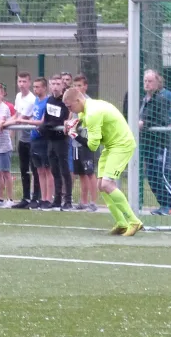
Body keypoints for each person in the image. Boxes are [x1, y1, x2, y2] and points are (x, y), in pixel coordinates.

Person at [63, 88, 143, 236]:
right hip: (110, 145)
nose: (70, 110)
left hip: (121, 145)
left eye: (70, 107)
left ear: (78, 100)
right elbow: (81, 118)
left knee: (107, 184)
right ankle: (121, 223)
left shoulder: (93, 113)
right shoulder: (87, 108)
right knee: (101, 185)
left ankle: (134, 221)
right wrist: (73, 123)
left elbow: (93, 146)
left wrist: (73, 134)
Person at [139, 70, 171, 216]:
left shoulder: (160, 99)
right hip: (148, 144)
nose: (147, 84)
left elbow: (162, 121)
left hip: (160, 143)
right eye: (145, 81)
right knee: (151, 175)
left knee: (163, 173)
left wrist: (144, 123)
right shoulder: (144, 100)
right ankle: (163, 204)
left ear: (157, 83)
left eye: (150, 81)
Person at [4, 71, 41, 209]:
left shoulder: (32, 99)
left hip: (33, 139)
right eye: (19, 81)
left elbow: (22, 119)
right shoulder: (19, 96)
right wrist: (5, 123)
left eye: (24, 81)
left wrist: (4, 124)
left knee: (35, 170)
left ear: (29, 83)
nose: (22, 84)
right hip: (23, 140)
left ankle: (35, 198)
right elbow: (16, 115)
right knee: (23, 169)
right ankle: (25, 198)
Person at [42, 75, 73, 211]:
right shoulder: (49, 100)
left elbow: (63, 119)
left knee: (64, 170)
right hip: (51, 140)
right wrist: (46, 126)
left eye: (58, 84)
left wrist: (51, 124)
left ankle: (68, 200)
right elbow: (48, 119)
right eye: (53, 83)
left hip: (61, 140)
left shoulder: (65, 101)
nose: (55, 86)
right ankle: (57, 199)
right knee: (54, 170)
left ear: (62, 86)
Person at [24, 77, 54, 210]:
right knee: (39, 170)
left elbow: (42, 121)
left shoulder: (47, 101)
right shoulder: (36, 100)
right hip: (34, 139)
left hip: (44, 139)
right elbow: (34, 116)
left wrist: (26, 122)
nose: (35, 89)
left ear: (44, 88)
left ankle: (48, 198)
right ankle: (43, 198)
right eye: (34, 87)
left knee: (48, 170)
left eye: (38, 87)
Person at [72, 74, 98, 212]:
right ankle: (83, 201)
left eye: (80, 85)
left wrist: (76, 124)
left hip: (87, 141)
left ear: (85, 86)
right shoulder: (73, 101)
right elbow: (70, 117)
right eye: (75, 86)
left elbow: (87, 120)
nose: (77, 88)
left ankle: (94, 202)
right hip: (76, 142)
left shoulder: (89, 102)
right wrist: (68, 123)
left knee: (89, 172)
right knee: (81, 173)